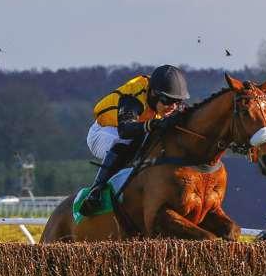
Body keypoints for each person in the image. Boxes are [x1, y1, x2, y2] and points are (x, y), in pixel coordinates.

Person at [79, 65, 190, 216]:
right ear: (153, 94)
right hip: (104, 132)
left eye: (177, 102)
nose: (173, 107)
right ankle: (95, 191)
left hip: (131, 131)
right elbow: (125, 131)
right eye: (168, 101)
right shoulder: (132, 98)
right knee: (128, 141)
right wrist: (152, 124)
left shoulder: (171, 103)